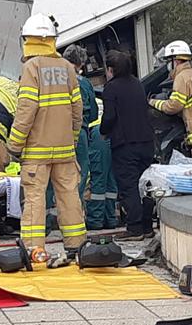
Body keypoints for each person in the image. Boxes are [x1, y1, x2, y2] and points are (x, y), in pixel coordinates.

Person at [7, 13, 87, 253]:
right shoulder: (67, 68)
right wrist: (71, 139)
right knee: (69, 197)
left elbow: (26, 111)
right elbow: (77, 110)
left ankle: (33, 248)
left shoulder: (31, 67)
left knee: (34, 199)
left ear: (28, 40)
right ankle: (76, 246)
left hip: (37, 151)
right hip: (64, 150)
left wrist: (15, 145)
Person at [100, 50, 155, 241]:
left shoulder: (111, 88)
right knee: (144, 185)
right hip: (147, 142)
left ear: (111, 69)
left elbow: (109, 117)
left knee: (129, 186)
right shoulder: (138, 84)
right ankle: (148, 226)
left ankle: (134, 228)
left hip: (125, 144)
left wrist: (103, 131)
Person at [47, 45, 97, 203]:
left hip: (54, 132)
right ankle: (73, 210)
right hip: (79, 132)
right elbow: (94, 112)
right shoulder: (84, 83)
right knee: (79, 173)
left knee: (50, 172)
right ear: (81, 64)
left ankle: (47, 217)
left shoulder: (52, 79)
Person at [86, 103, 118, 230]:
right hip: (112, 132)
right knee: (111, 178)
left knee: (98, 176)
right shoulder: (99, 97)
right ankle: (110, 218)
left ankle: (95, 219)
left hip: (98, 133)